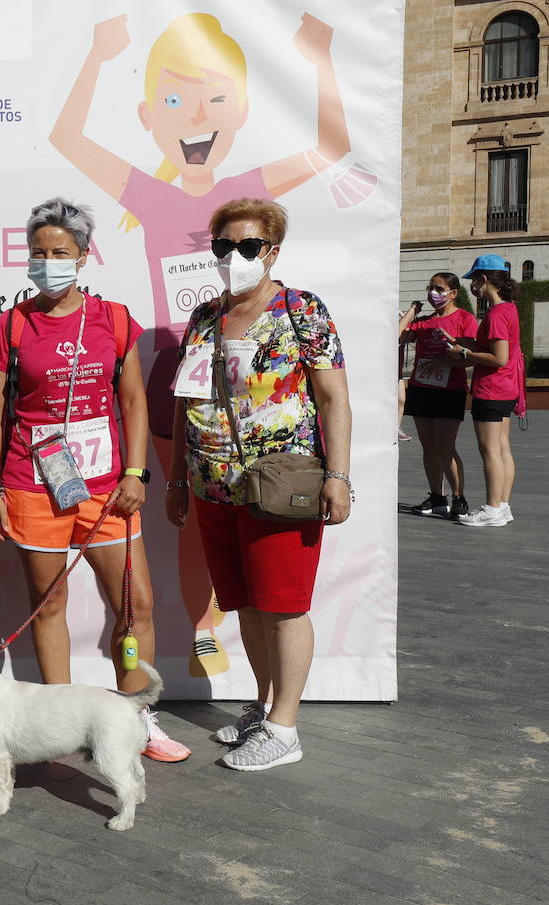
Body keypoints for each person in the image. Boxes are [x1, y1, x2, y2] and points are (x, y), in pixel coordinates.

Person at [51, 11, 354, 677]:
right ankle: (205, 629)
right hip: (181, 399)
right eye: (174, 98)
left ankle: (255, 683)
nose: (235, 255)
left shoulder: (278, 260)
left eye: (214, 97)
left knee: (269, 567)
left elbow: (331, 147)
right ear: (148, 112)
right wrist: (98, 55)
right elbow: (67, 137)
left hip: (273, 446)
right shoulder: (152, 200)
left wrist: (320, 58)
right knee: (200, 531)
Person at [0, 197, 190, 763]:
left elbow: (134, 404)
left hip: (107, 490)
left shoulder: (114, 320)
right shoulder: (12, 326)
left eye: (61, 252)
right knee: (48, 607)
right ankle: (59, 727)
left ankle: (138, 723)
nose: (49, 262)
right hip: (31, 485)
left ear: (84, 255)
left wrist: (137, 471)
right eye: (39, 252)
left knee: (137, 605)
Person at [165, 198, 352, 771]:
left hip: (282, 484)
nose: (233, 256)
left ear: (271, 251)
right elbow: (186, 401)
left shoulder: (302, 310)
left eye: (247, 246)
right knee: (244, 604)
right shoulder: (204, 318)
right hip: (214, 484)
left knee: (284, 607)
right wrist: (177, 476)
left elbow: (333, 398)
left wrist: (338, 476)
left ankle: (286, 728)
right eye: (223, 246)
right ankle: (266, 706)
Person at [446, 255, 523, 528]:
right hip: (506, 388)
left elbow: (499, 357)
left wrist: (464, 352)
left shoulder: (496, 313)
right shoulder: (509, 308)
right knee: (502, 448)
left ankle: (492, 508)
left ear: (484, 279)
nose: (473, 286)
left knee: (490, 449)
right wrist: (472, 345)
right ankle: (501, 506)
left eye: (474, 280)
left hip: (492, 388)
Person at [399, 274, 478, 518]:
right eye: (431, 288)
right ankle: (436, 497)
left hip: (449, 390)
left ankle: (458, 497)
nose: (434, 293)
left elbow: (473, 353)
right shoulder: (423, 322)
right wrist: (412, 311)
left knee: (445, 446)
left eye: (440, 289)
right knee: (428, 447)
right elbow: (397, 336)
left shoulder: (465, 318)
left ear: (453, 293)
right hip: (422, 388)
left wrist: (445, 360)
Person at [396, 303, 417, 442]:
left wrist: (408, 318)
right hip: (390, 368)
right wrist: (409, 314)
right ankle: (393, 427)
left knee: (401, 399)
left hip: (398, 369)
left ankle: (396, 427)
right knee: (398, 399)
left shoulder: (399, 315)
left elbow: (411, 337)